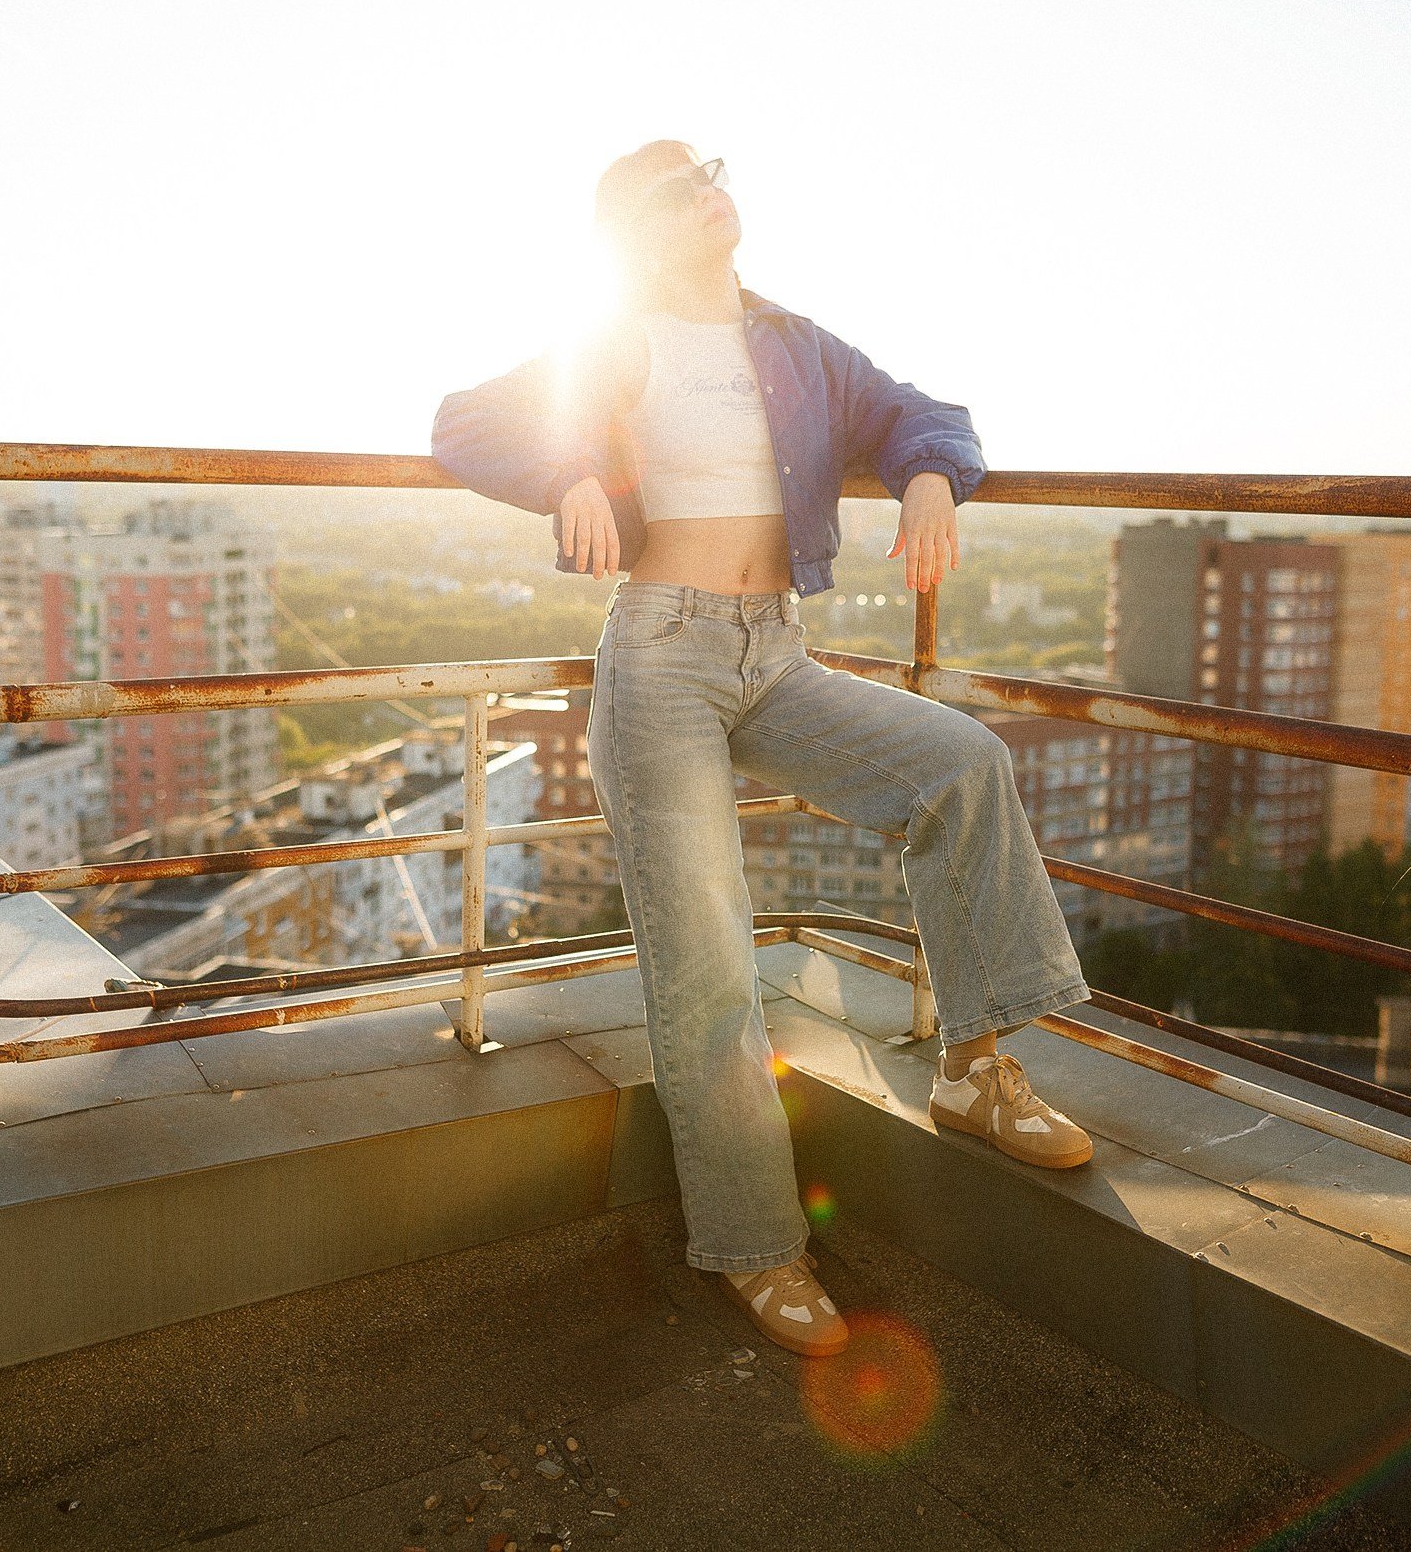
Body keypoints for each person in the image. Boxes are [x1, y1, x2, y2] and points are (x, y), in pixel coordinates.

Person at [432, 141, 1093, 1358]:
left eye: (711, 169)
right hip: (662, 657)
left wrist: (933, 477)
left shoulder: (791, 342)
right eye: (677, 186)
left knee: (961, 766)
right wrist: (569, 466)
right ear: (638, 231)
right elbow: (465, 422)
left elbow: (920, 414)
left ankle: (975, 1069)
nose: (708, 190)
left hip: (776, 653)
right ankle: (755, 1242)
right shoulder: (614, 338)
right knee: (710, 972)